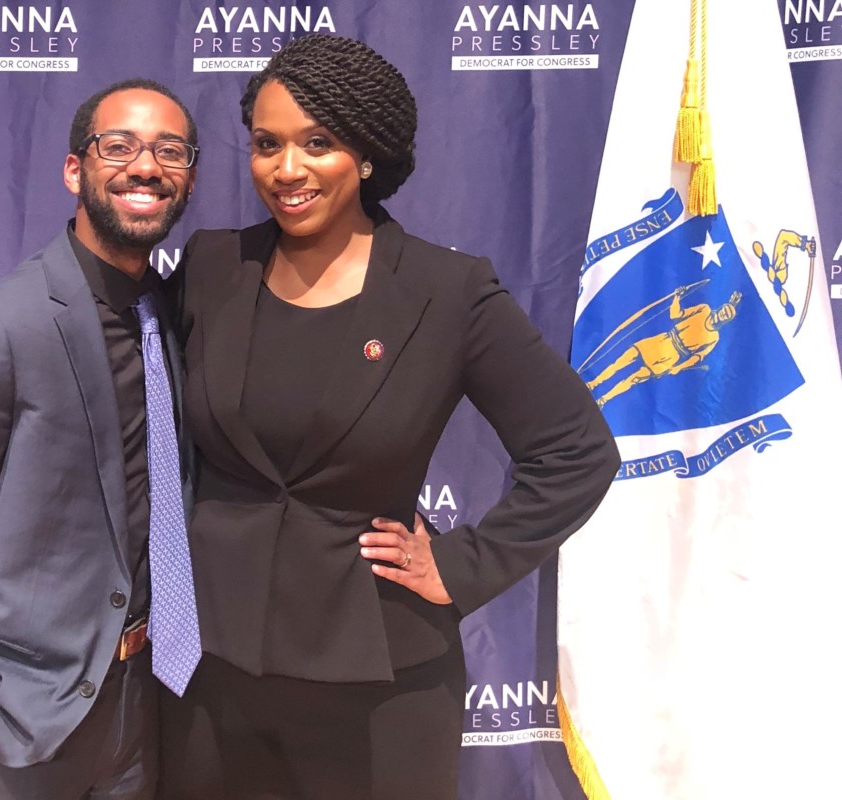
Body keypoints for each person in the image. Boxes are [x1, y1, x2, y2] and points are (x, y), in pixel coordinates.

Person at [159, 35, 620, 799]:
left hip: (380, 680)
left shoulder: (448, 291)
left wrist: (462, 565)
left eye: (318, 143)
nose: (287, 169)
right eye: (267, 145)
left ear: (368, 156)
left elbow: (578, 452)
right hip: (211, 676)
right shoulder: (211, 267)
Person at [0, 78, 201, 800]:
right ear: (74, 170)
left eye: (170, 151)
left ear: (189, 180)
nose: (146, 167)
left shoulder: (174, 319)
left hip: (143, 705)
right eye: (121, 146)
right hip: (16, 730)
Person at [586, 288, 742, 408]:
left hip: (672, 356)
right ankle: (593, 384)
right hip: (663, 340)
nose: (722, 315)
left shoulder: (714, 338)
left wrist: (680, 367)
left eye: (726, 316)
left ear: (726, 321)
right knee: (622, 361)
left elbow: (698, 357)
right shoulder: (704, 309)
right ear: (720, 308)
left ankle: (604, 399)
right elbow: (676, 315)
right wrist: (677, 297)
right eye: (723, 311)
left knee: (634, 378)